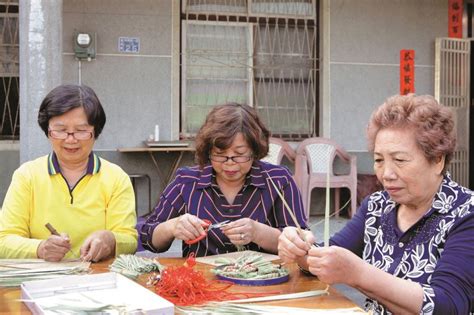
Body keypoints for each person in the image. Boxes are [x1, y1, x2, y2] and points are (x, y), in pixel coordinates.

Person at [278, 94, 474, 314]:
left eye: (399, 160)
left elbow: (449, 305)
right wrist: (298, 248)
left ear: (437, 160)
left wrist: (359, 274)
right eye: (379, 160)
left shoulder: (466, 213)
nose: (386, 174)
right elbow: (328, 257)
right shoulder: (377, 206)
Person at [140, 103, 307, 257]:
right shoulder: (187, 182)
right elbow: (148, 239)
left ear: (255, 150)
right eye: (220, 155)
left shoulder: (278, 180)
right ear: (208, 151)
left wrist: (258, 233)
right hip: (200, 282)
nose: (229, 163)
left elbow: (302, 243)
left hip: (264, 281)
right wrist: (173, 226)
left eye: (239, 154)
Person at [0, 84, 137, 262]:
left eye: (81, 131)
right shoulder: (27, 176)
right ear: (48, 132)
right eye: (61, 130)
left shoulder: (116, 178)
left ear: (96, 132)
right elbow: (4, 241)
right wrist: (40, 248)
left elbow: (130, 240)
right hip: (41, 282)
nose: (70, 139)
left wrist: (111, 240)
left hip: (97, 279)